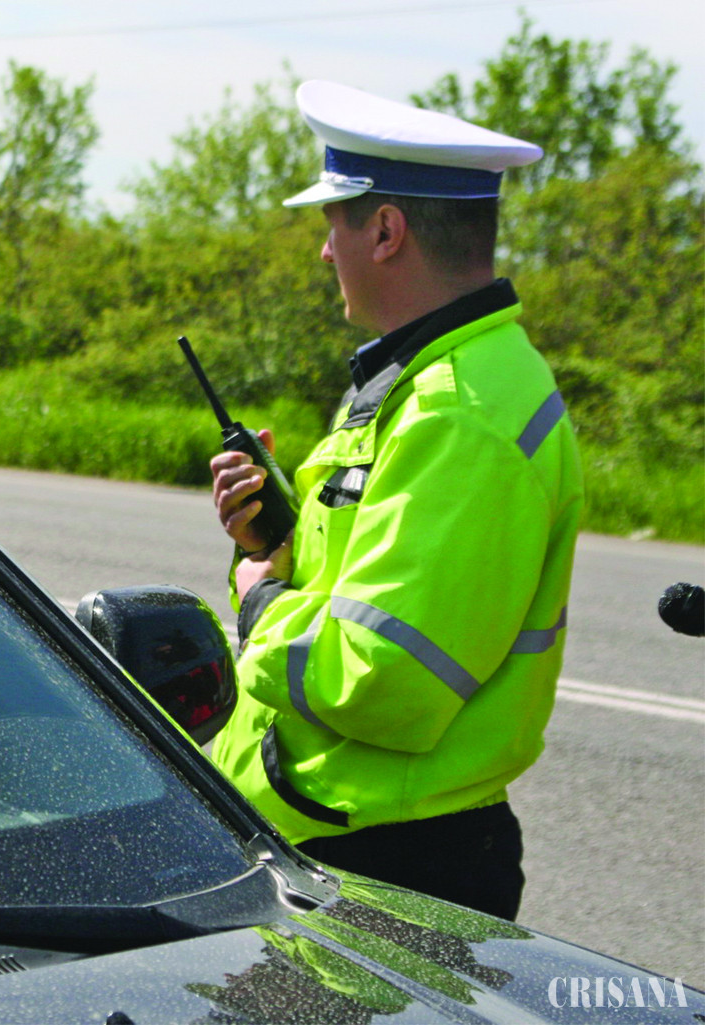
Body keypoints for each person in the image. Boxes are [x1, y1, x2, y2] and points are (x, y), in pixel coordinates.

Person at [208, 80, 583, 921]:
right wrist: (271, 537)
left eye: (332, 224)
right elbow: (362, 580)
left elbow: (384, 676)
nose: (323, 251)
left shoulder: (458, 411)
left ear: (385, 231)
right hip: (349, 834)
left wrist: (261, 603)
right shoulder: (427, 376)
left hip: (390, 863)